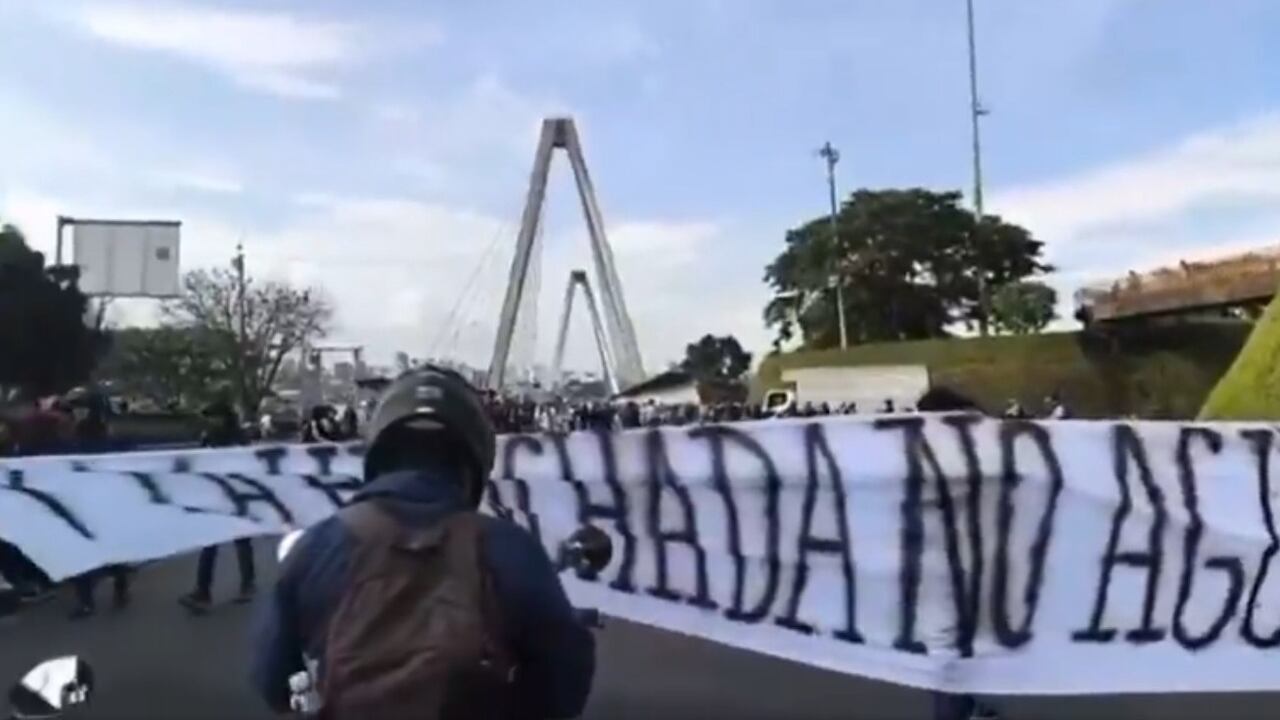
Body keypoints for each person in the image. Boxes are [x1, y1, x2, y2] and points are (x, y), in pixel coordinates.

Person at [249, 366, 595, 719]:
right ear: (473, 458)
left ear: (380, 450)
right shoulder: (510, 549)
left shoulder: (317, 546)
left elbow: (271, 677)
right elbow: (564, 678)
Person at [915, 386, 1000, 720]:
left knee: (956, 648)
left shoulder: (919, 453)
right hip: (944, 568)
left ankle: (965, 708)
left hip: (954, 564)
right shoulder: (948, 460)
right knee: (947, 652)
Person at [180, 401, 255, 614]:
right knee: (209, 543)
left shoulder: (238, 438)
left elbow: (248, 464)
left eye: (215, 417)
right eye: (209, 417)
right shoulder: (208, 438)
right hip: (214, 496)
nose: (212, 421)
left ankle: (248, 584)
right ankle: (202, 591)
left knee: (242, 541)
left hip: (236, 495)